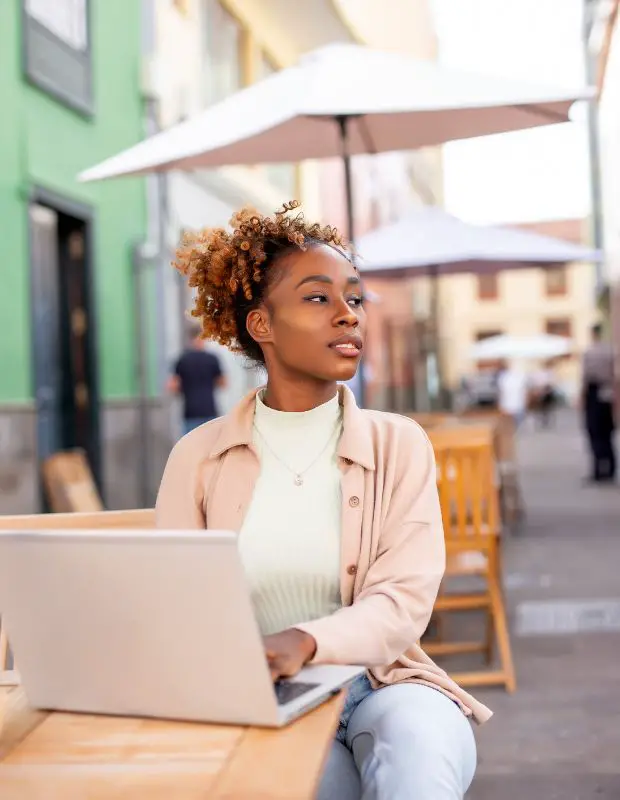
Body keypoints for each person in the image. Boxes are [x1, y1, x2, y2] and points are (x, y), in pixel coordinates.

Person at [157, 201, 491, 800]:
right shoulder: (197, 457)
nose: (348, 315)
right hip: (259, 703)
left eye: (354, 298)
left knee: (418, 747)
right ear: (261, 325)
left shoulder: (399, 443)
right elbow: (174, 606)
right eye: (319, 298)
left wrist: (305, 642)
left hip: (381, 686)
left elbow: (402, 602)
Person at [167, 323, 227, 435]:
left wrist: (184, 389)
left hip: (190, 412)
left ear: (190, 338)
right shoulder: (212, 359)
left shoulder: (182, 359)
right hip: (209, 411)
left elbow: (172, 386)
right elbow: (223, 383)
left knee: (190, 449)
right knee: (210, 448)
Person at [581, 323, 616, 484]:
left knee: (595, 434)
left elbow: (586, 377)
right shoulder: (610, 351)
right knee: (608, 435)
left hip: (594, 393)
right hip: (608, 393)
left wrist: (582, 399)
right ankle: (611, 469)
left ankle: (597, 470)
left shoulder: (590, 352)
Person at [496, 360, 529, 429]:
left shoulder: (503, 378)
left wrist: (500, 404)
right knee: (516, 423)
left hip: (509, 405)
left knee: (512, 423)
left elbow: (501, 393)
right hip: (515, 404)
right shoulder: (507, 378)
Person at [532, 361, 557, 429]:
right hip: (542, 391)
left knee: (546, 407)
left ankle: (545, 419)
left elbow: (551, 383)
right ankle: (542, 419)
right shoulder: (543, 373)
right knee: (542, 407)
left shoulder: (550, 373)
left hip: (547, 392)